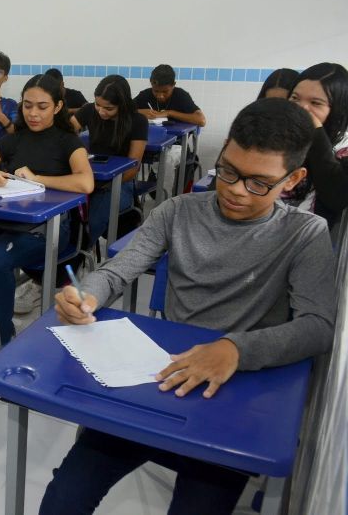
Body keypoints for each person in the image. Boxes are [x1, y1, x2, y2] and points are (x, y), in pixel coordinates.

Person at [40, 98, 336, 515]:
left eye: (258, 183)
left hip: (233, 397)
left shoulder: (305, 234)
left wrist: (235, 349)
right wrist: (85, 295)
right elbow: (116, 270)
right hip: (159, 378)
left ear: (293, 179)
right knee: (64, 499)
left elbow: (318, 325)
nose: (235, 189)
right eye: (229, 171)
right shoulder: (178, 210)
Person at [0, 74, 94, 367]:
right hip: (9, 223)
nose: (33, 113)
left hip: (50, 228)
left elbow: (85, 183)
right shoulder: (14, 138)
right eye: (28, 105)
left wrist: (37, 179)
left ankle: (2, 334)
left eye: (42, 107)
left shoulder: (68, 142)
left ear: (57, 107)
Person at [73, 75, 147, 245]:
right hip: (88, 178)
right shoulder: (89, 110)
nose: (101, 111)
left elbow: (132, 168)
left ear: (122, 105)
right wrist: (77, 148)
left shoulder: (137, 121)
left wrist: (105, 184)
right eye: (98, 105)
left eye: (109, 108)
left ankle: (76, 258)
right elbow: (67, 130)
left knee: (92, 221)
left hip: (120, 184)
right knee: (68, 217)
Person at [284, 62, 348, 226]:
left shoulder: (343, 148)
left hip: (304, 238)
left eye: (316, 103)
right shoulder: (280, 133)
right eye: (295, 98)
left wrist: (316, 131)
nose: (301, 108)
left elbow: (336, 196)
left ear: (338, 110)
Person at [134, 64, 206, 126]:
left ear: (173, 85)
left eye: (165, 92)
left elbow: (201, 121)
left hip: (177, 140)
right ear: (151, 84)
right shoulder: (145, 95)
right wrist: (138, 111)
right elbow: (123, 111)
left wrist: (169, 113)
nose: (160, 96)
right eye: (156, 91)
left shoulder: (181, 96)